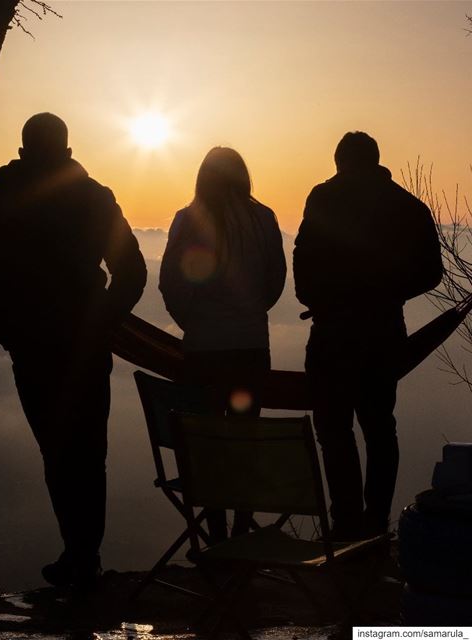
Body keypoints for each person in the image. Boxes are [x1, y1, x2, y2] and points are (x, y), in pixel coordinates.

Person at [0, 113, 147, 586]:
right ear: (67, 146)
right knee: (89, 453)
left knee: (55, 453)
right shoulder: (94, 197)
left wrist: (3, 326)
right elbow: (132, 273)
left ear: (22, 145)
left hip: (30, 345)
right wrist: (100, 321)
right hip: (83, 345)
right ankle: (83, 553)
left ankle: (77, 554)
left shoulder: (0, 195)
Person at [293, 131, 443, 540]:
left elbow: (303, 260)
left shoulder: (323, 198)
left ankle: (345, 525)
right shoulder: (406, 206)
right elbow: (432, 271)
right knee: (379, 428)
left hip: (331, 334)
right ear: (376, 161)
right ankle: (375, 526)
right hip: (383, 334)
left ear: (339, 161)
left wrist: (318, 297)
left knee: (334, 429)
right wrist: (390, 292)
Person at [160, 146, 286, 542]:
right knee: (244, 443)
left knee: (208, 447)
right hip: (250, 350)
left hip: (203, 354)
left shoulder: (187, 220)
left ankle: (215, 537)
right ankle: (242, 531)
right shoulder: (263, 219)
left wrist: (192, 322)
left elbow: (171, 282)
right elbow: (276, 279)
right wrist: (252, 313)